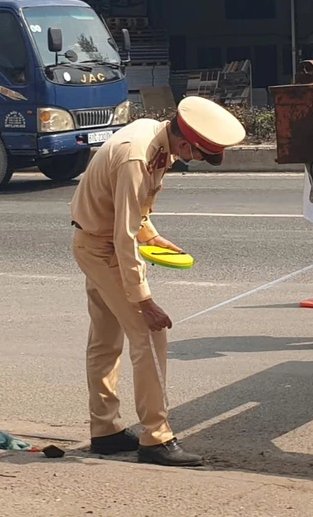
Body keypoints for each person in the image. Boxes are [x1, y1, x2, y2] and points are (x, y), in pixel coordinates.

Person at [70, 96, 246, 467]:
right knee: (150, 335)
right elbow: (124, 236)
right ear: (184, 142)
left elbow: (133, 214)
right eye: (197, 155)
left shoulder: (156, 138)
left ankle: (105, 430)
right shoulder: (139, 157)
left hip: (95, 239)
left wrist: (153, 237)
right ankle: (156, 437)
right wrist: (144, 301)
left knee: (105, 339)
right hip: (103, 249)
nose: (193, 161)